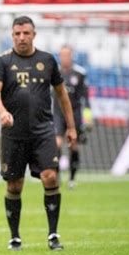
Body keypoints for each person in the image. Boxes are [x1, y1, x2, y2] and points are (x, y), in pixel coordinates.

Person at [0, 16, 77, 251]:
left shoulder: (47, 60)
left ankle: (53, 235)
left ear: (33, 34)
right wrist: (2, 111)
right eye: (17, 34)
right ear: (12, 35)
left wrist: (71, 127)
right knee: (14, 186)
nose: (21, 37)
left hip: (43, 132)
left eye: (26, 33)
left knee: (50, 176)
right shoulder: (3, 61)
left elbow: (62, 95)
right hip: (13, 134)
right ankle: (15, 236)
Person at [53, 44, 92, 189]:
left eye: (67, 55)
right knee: (56, 144)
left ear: (72, 56)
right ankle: (56, 177)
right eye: (62, 55)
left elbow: (85, 98)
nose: (65, 57)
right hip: (58, 113)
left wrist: (87, 118)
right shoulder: (54, 72)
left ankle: (72, 178)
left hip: (74, 114)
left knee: (72, 145)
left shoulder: (79, 73)